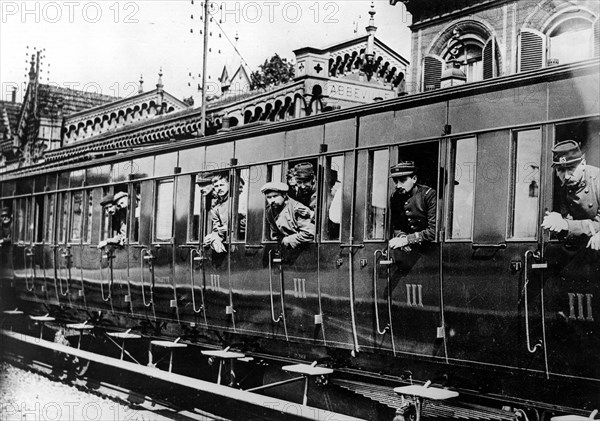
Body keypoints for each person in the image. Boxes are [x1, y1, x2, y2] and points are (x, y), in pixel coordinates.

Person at [541, 140, 600, 249]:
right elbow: (569, 224)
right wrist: (558, 222)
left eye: (571, 169)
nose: (566, 176)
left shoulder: (598, 180)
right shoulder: (565, 187)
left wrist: (566, 224)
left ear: (583, 164)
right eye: (561, 170)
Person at [388, 161, 437, 250]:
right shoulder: (395, 197)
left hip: (430, 251)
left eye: (403, 180)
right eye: (395, 181)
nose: (398, 185)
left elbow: (433, 231)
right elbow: (396, 226)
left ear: (414, 179)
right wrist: (402, 237)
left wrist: (407, 240)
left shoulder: (428, 195)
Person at [261, 181, 315, 249]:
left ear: (284, 195)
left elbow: (309, 233)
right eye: (269, 197)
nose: (272, 200)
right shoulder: (269, 211)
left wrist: (288, 240)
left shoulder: (297, 208)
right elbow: (275, 234)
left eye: (275, 196)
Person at [203, 173, 230, 253]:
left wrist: (229, 228)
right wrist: (214, 240)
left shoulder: (235, 201)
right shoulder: (216, 207)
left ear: (228, 185)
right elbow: (216, 229)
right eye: (216, 186)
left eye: (222, 185)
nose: (219, 188)